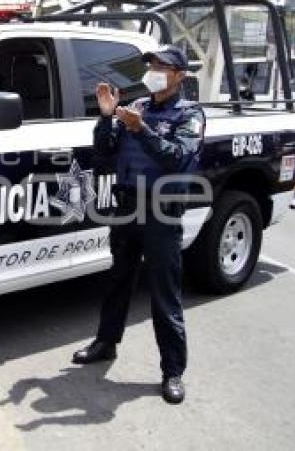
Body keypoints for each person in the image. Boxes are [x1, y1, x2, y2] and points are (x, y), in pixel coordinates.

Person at [71, 45, 205, 405]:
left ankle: (172, 371)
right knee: (118, 280)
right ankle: (106, 342)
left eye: (163, 66)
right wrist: (105, 117)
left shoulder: (189, 114)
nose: (154, 70)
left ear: (179, 76)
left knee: (164, 292)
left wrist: (141, 129)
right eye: (151, 65)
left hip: (161, 213)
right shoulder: (138, 109)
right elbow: (105, 156)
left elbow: (177, 158)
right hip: (126, 207)